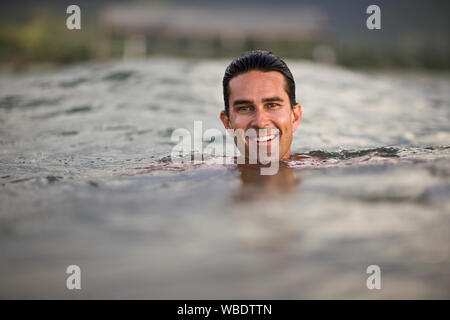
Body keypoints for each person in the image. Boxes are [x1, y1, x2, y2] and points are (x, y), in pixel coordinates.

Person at [220, 50, 302, 165]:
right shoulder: (201, 173)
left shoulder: (327, 172)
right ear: (227, 122)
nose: (260, 122)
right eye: (244, 108)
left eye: (272, 105)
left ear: (295, 117)